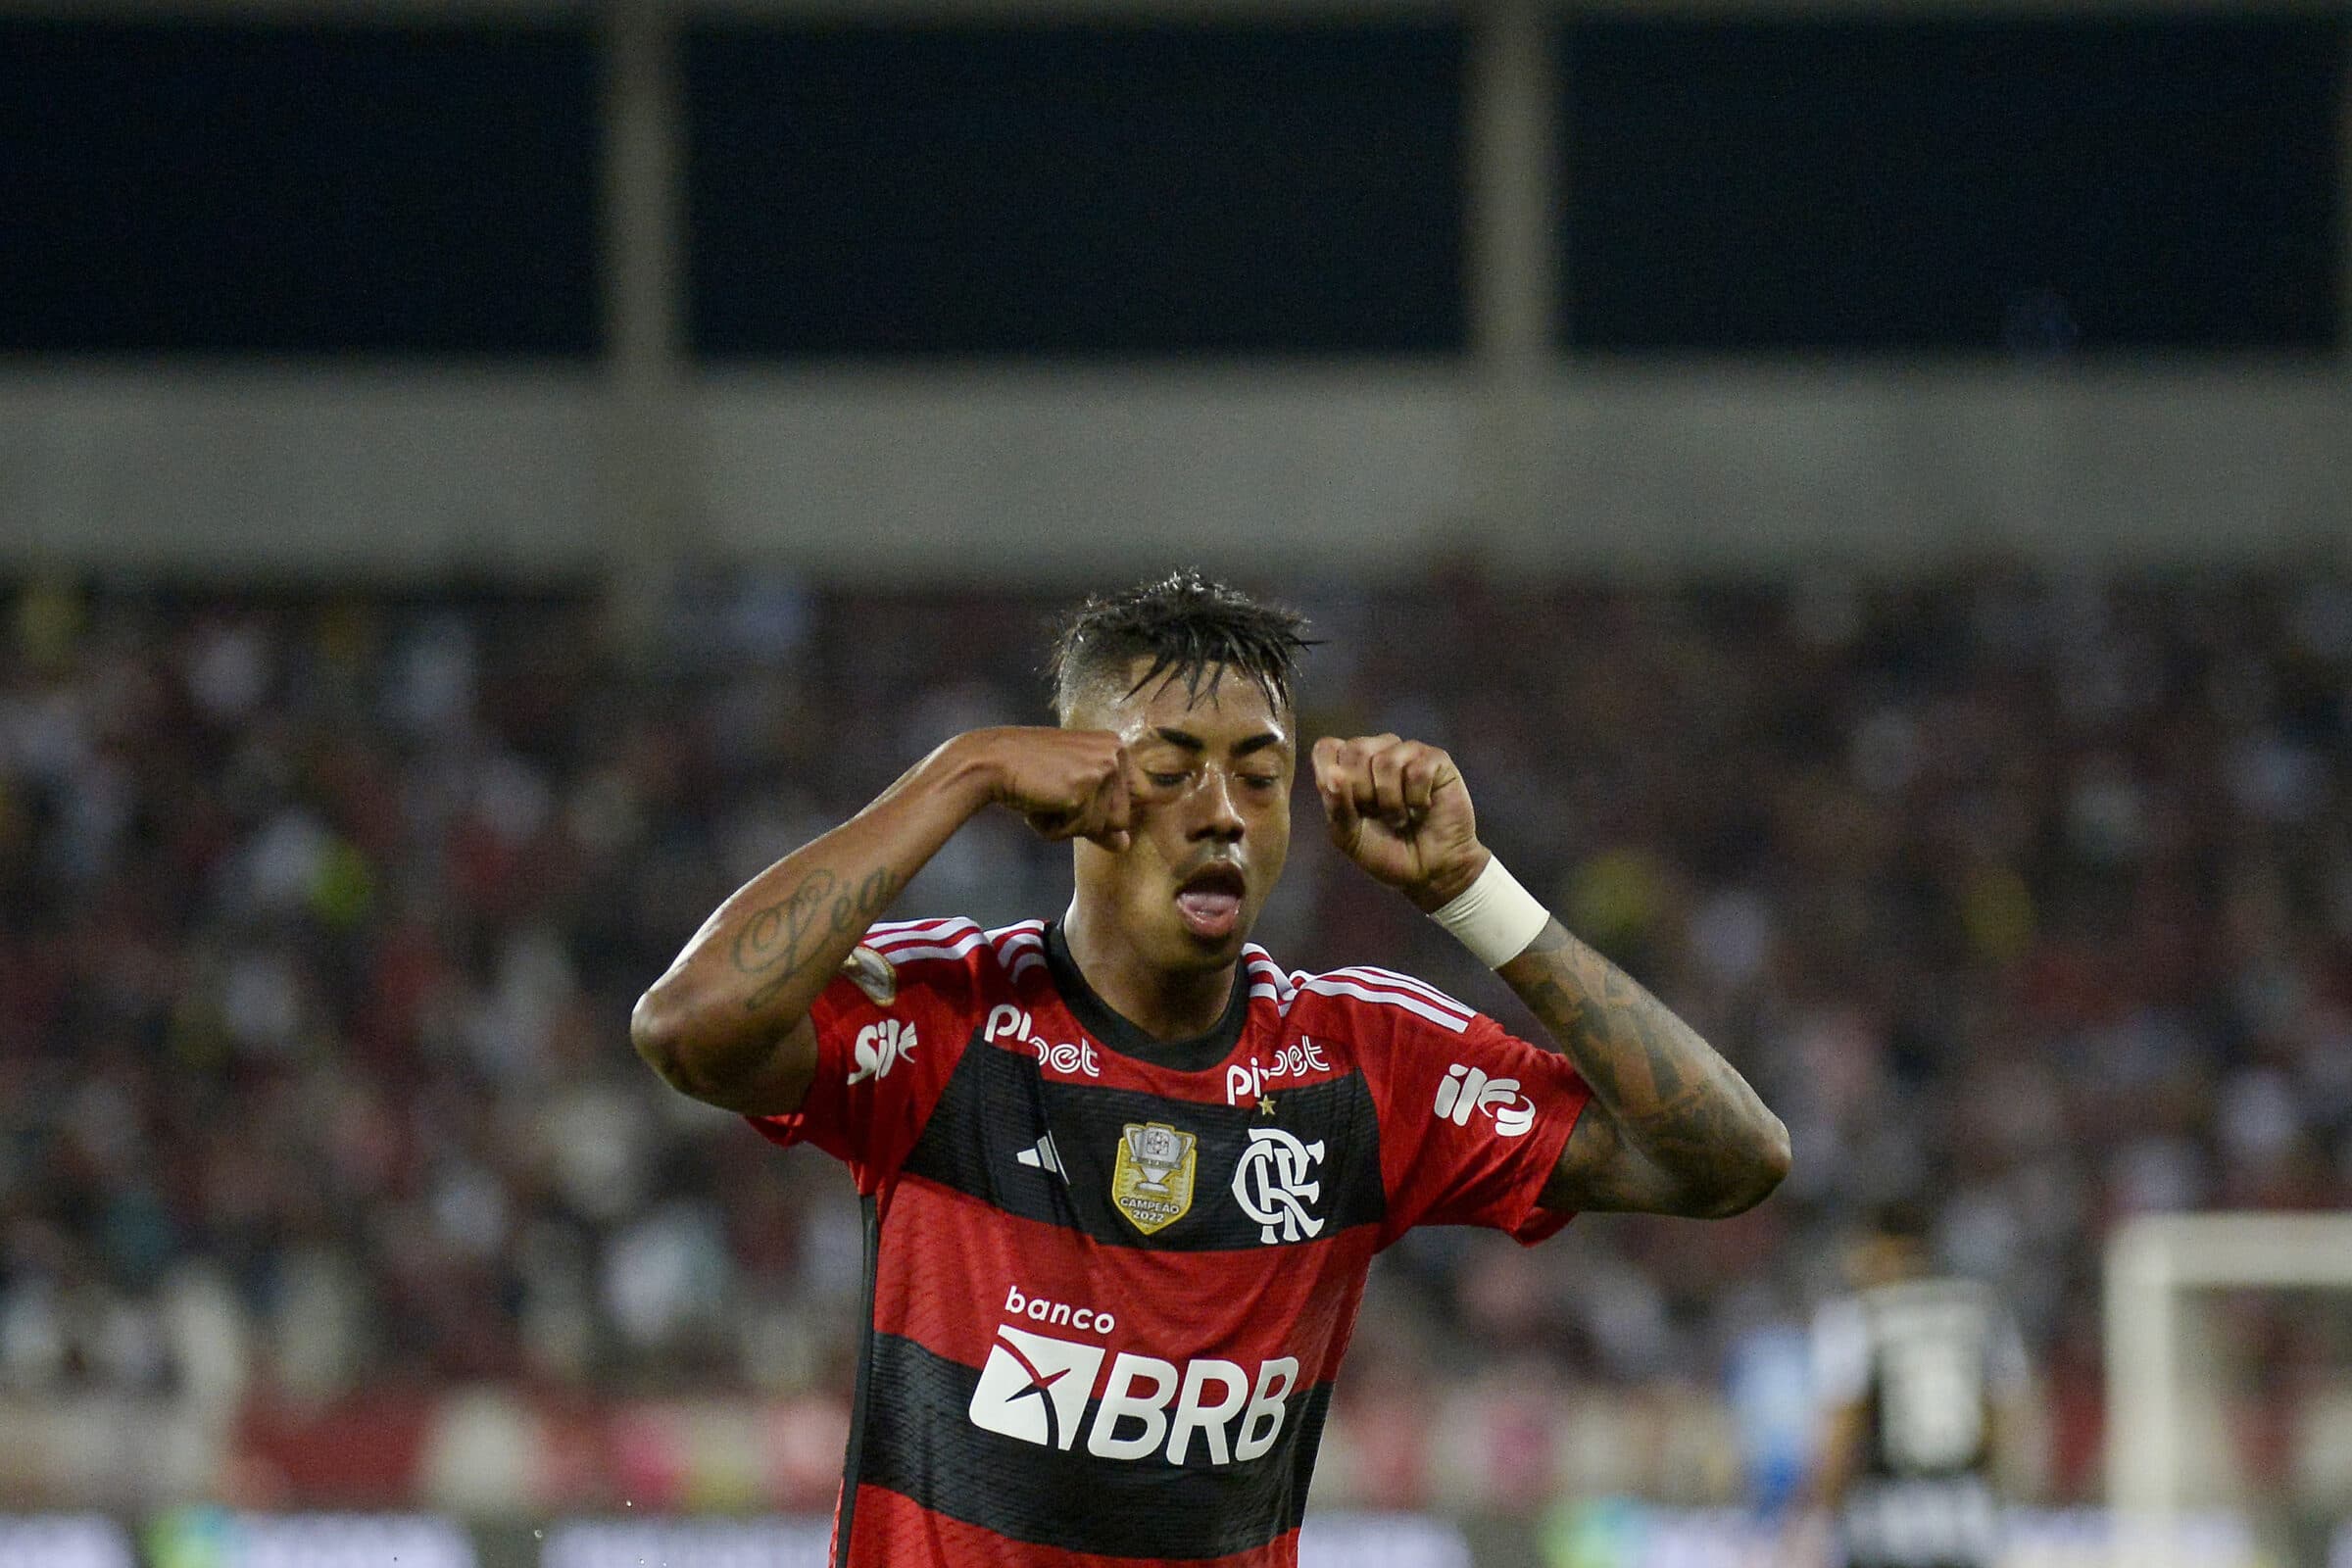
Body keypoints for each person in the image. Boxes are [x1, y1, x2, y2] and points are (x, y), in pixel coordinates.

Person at [632, 570, 1790, 1568]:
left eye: (1257, 772)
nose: (1223, 814)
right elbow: (688, 1026)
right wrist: (963, 774)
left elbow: (1732, 1160)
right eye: (1173, 768)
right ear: (1073, 787)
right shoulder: (951, 1017)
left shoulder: (1358, 1064)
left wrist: (1473, 893)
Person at [1803, 1202, 2032, 1568]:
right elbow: (2005, 1419)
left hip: (1882, 1520)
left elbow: (1842, 1431)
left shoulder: (1854, 1317)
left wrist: (1815, 1518)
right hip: (1966, 1516)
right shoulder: (1980, 1309)